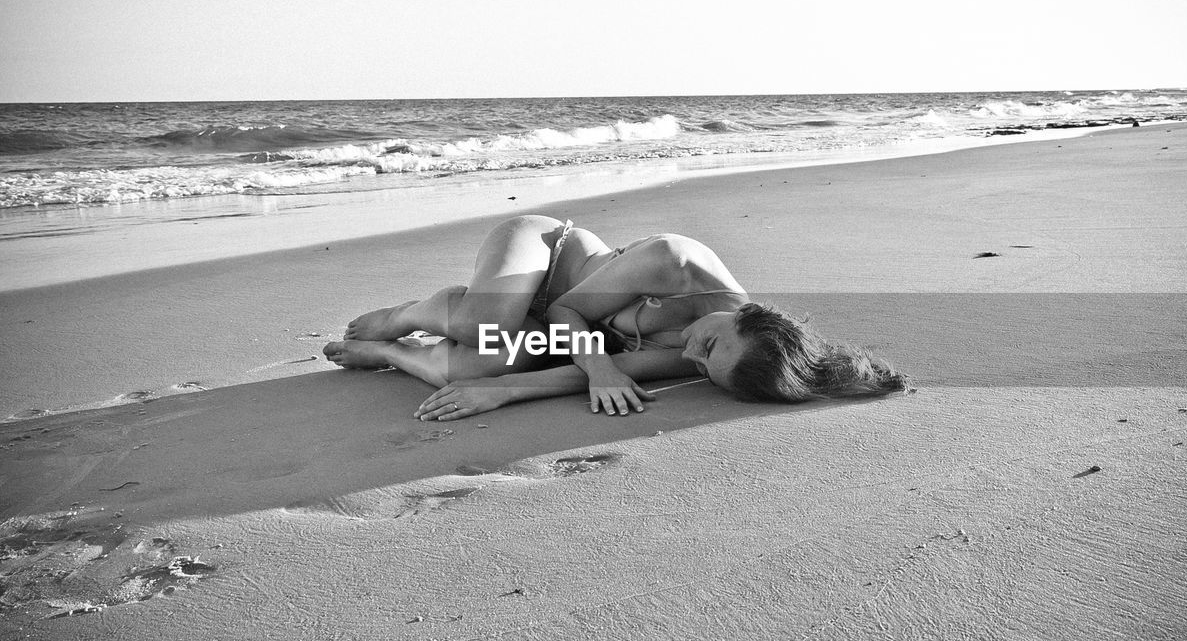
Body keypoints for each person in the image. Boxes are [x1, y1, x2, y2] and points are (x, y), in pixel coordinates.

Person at [323, 215, 907, 421]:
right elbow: (566, 311)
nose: (693, 355)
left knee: (485, 364)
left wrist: (500, 393)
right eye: (709, 345)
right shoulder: (675, 262)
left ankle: (393, 354)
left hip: (550, 328)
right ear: (751, 318)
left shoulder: (720, 354)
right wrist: (604, 367)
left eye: (703, 367)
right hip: (546, 257)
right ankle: (406, 316)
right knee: (484, 328)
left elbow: (587, 373)